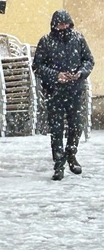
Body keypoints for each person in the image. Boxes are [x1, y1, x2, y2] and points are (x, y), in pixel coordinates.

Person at [32, 9, 94, 180]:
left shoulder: (78, 39)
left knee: (76, 126)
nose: (63, 27)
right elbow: (37, 66)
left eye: (66, 24)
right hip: (54, 92)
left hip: (75, 90)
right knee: (56, 129)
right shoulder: (46, 42)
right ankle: (59, 163)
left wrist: (80, 73)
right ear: (54, 25)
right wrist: (55, 75)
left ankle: (72, 155)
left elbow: (89, 60)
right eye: (60, 24)